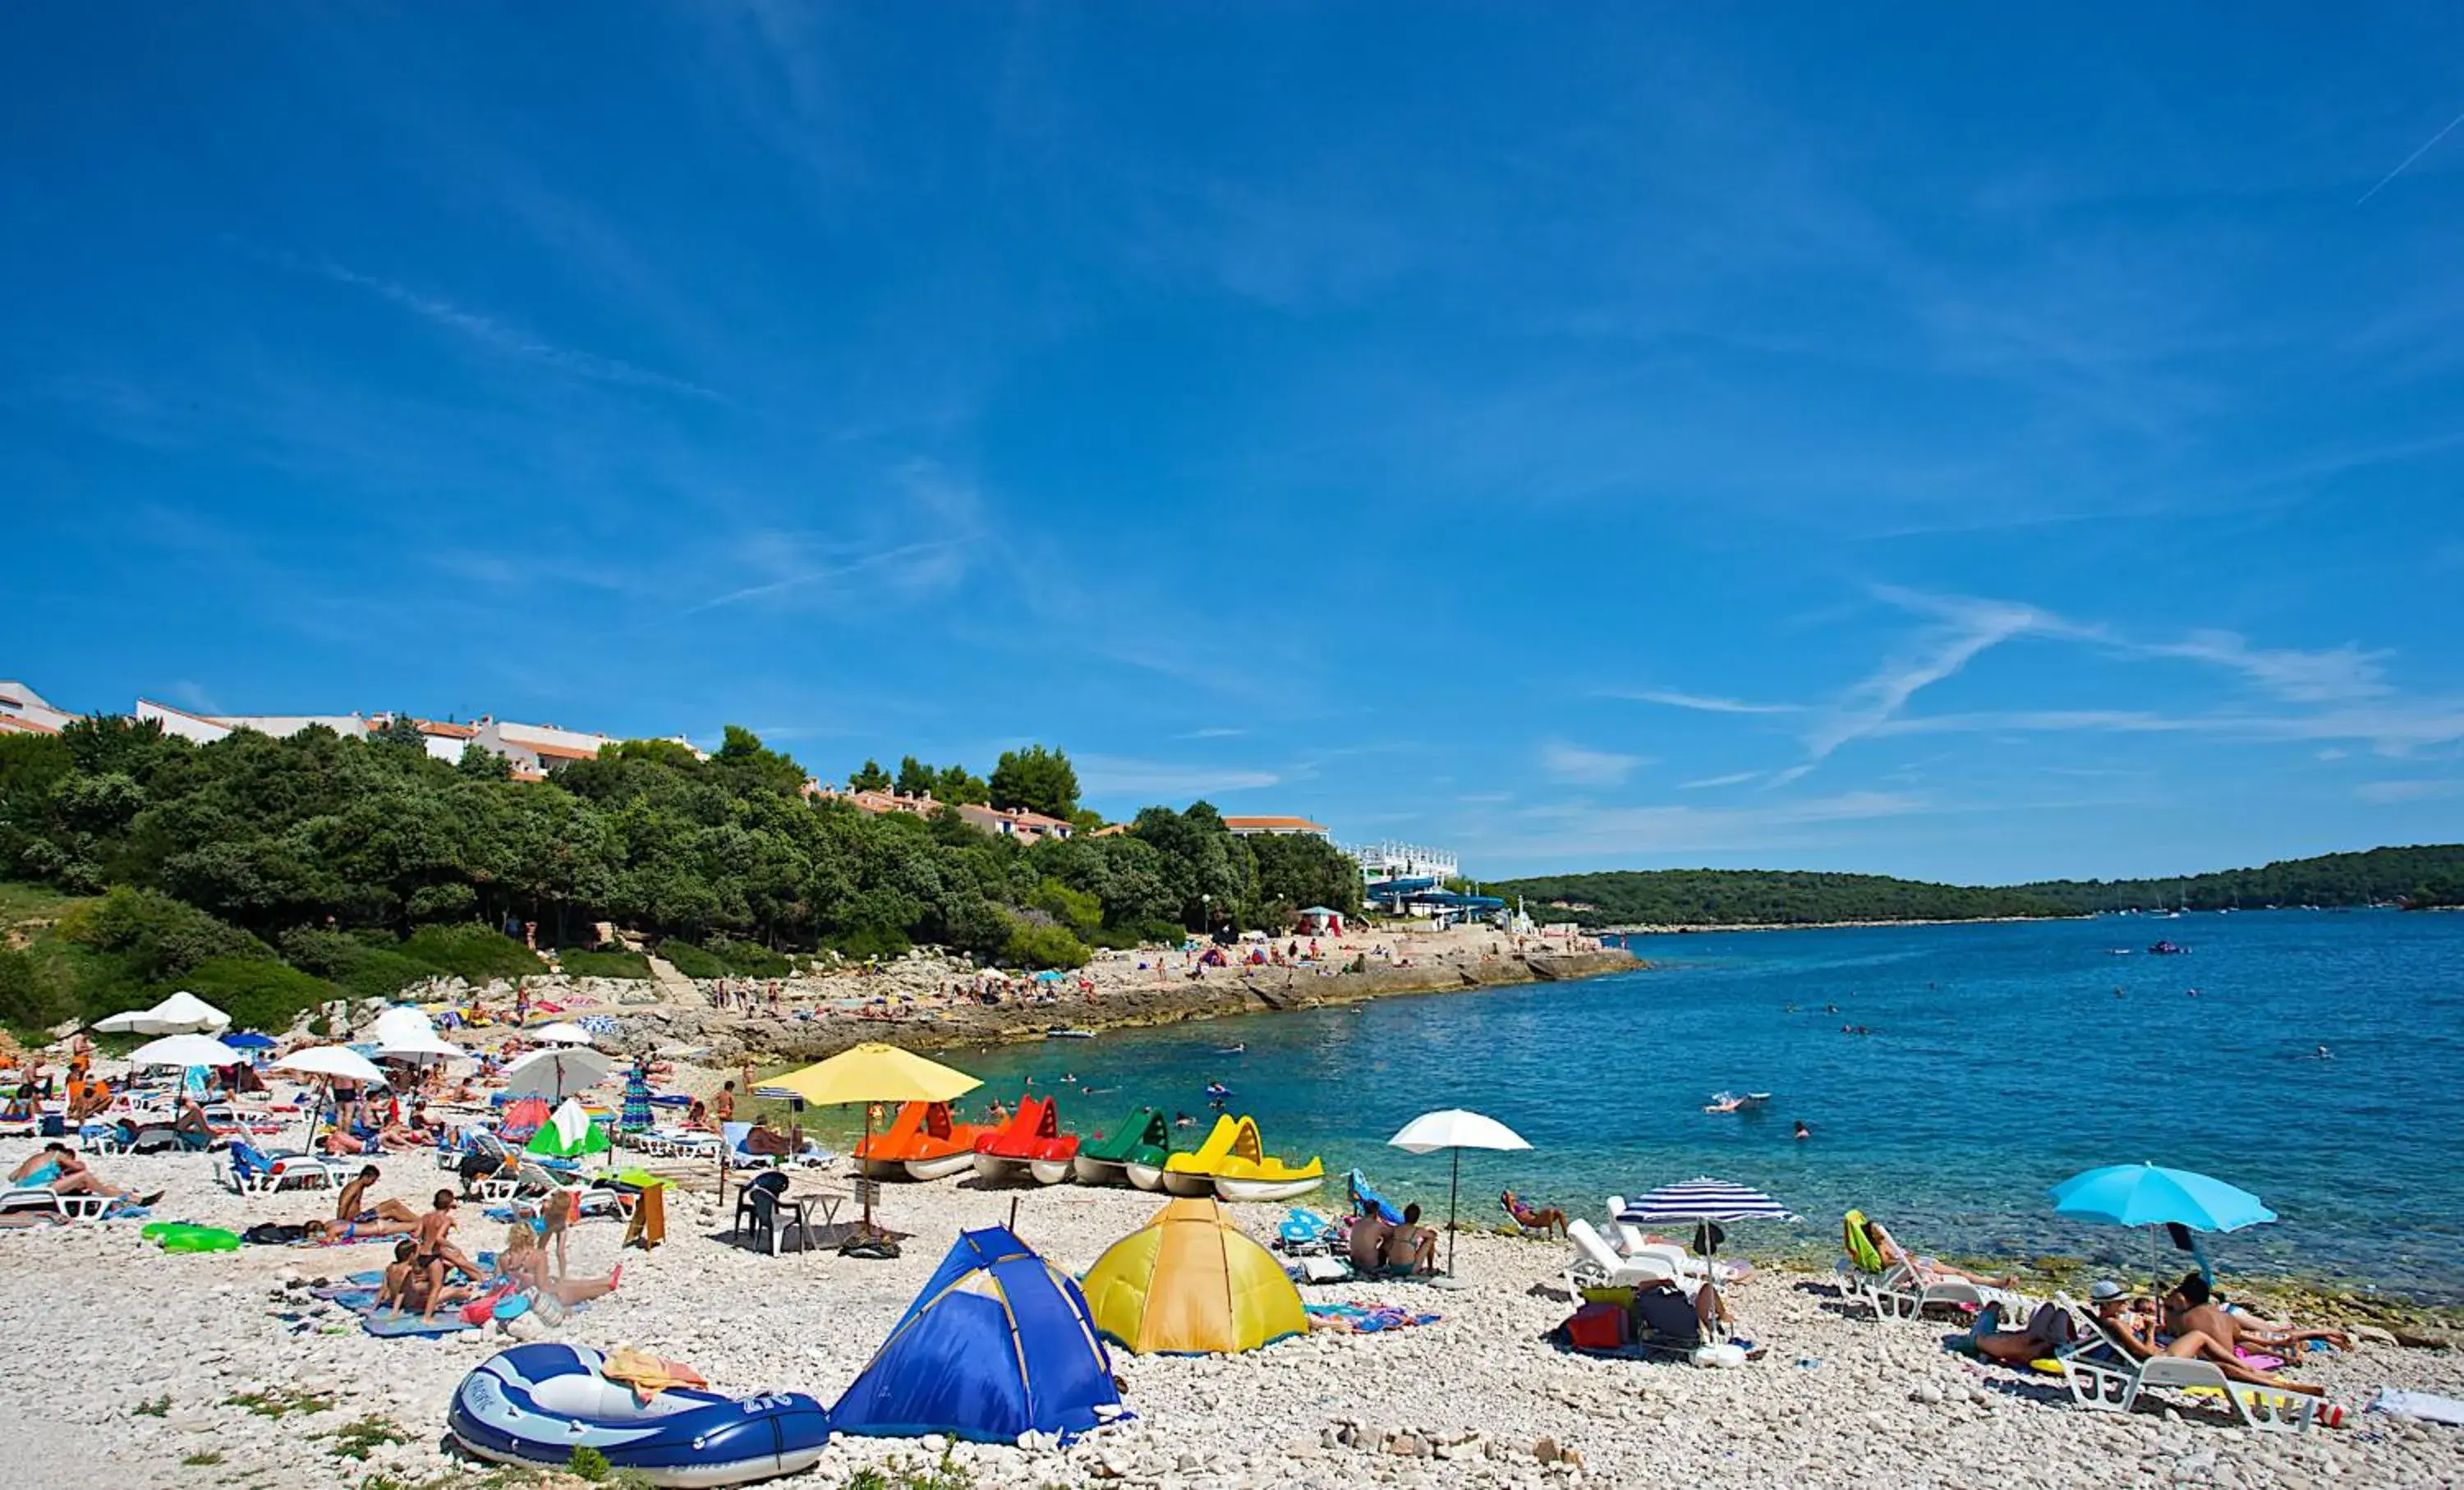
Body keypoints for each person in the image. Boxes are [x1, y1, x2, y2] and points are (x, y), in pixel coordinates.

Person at [2089, 1282, 2324, 1397]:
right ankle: (2280, 1385)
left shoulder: (2112, 1322)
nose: (2124, 1304)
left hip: (2159, 1357)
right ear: (2107, 1305)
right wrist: (2150, 1331)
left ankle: (2274, 1383)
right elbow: (2146, 1353)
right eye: (2120, 1302)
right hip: (2158, 1361)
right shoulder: (2116, 1323)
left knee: (2219, 1364)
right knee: (2207, 1346)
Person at [2163, 1272, 2351, 1354]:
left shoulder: (2186, 1314)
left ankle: (2320, 1332)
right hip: (2228, 1318)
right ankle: (2324, 1337)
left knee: (2276, 1334)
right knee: (2274, 1336)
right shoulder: (2197, 1310)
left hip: (2230, 1317)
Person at [1865, 1217, 2016, 1290]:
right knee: (1959, 1273)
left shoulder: (1884, 1243)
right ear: (1873, 1235)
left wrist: (1907, 1257)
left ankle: (1994, 1283)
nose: (1880, 1229)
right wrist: (1906, 1261)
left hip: (1918, 1262)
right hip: (1916, 1266)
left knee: (1960, 1272)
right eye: (1877, 1229)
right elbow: (1885, 1263)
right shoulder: (1880, 1247)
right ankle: (1996, 1283)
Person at [503, 1219, 620, 1306]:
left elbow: (498, 1284)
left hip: (518, 1298)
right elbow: (543, 1287)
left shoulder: (503, 1257)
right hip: (541, 1300)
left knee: (560, 1281)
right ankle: (607, 1286)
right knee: (578, 1290)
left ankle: (606, 1280)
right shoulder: (537, 1255)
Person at [8, 1143, 158, 1206]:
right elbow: (80, 1167)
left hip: (22, 1190)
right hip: (40, 1189)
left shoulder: (33, 1159)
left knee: (89, 1184)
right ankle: (115, 1196)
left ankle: (132, 1198)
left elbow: (12, 1177)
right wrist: (68, 1167)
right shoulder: (57, 1155)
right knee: (84, 1176)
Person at [412, 1189, 483, 1285]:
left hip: (422, 1254)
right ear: (449, 1203)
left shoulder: (425, 1216)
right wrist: (454, 1247)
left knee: (454, 1258)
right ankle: (481, 1276)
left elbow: (416, 1235)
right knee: (457, 1258)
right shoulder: (446, 1220)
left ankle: (480, 1275)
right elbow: (439, 1238)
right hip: (433, 1255)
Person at [335, 1165, 421, 1226]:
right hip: (356, 1220)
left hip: (360, 1216)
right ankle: (419, 1222)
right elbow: (343, 1205)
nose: (373, 1183)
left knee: (393, 1203)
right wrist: (340, 1223)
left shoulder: (358, 1186)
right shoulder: (354, 1187)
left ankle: (418, 1220)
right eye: (372, 1180)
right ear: (366, 1177)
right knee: (392, 1213)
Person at [1382, 1203, 1437, 1276]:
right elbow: (1433, 1236)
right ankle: (1430, 1268)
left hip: (1393, 1268)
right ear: (1417, 1218)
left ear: (1404, 1215)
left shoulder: (1395, 1229)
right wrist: (1429, 1232)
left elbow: (1385, 1244)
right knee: (1430, 1240)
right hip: (1410, 1269)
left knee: (1390, 1241)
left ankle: (1382, 1264)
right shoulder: (1417, 1230)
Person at [1501, 1189, 1568, 1239]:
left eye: (1512, 1195)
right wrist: (1506, 1193)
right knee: (1550, 1211)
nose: (1513, 1196)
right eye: (1510, 1196)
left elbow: (1531, 1212)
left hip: (1536, 1218)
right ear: (1507, 1199)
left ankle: (1566, 1235)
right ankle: (1551, 1233)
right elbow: (1507, 1196)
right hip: (1531, 1222)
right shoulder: (1512, 1208)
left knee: (1559, 1212)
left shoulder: (1520, 1205)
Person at [1346, 1207, 1391, 1273]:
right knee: (1389, 1240)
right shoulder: (1378, 1225)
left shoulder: (1356, 1223)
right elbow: (1391, 1235)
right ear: (1376, 1212)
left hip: (1355, 1263)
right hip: (1371, 1264)